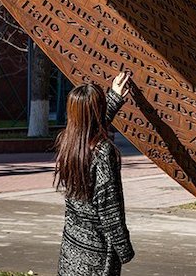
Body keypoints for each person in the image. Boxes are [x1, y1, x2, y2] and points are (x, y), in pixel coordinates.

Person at [55, 72, 135, 275]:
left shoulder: (69, 142)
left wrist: (114, 97)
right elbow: (109, 209)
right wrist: (124, 249)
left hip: (72, 248)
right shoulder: (102, 152)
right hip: (97, 255)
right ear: (98, 111)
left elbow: (89, 125)